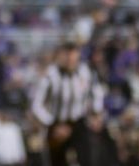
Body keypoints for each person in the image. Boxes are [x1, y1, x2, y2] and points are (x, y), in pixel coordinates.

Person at [30, 38, 105, 166]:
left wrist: (96, 112)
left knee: (88, 158)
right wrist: (52, 123)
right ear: (59, 55)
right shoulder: (50, 76)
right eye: (66, 54)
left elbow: (96, 92)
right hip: (57, 124)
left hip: (79, 122)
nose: (70, 59)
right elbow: (36, 105)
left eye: (73, 54)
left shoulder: (85, 72)